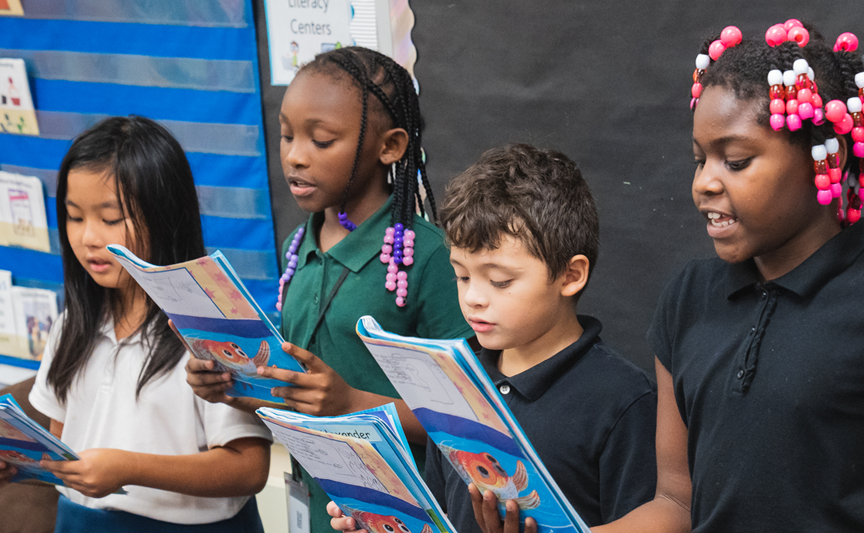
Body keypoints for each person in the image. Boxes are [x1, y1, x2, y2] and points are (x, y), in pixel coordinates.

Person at [597, 20, 864, 533]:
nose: (703, 184)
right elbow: (675, 499)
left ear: (826, 158)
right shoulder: (688, 299)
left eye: (735, 161)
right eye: (699, 160)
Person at [182, 46, 471, 532]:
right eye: (287, 135)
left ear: (391, 146)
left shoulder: (429, 259)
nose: (295, 156)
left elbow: (468, 421)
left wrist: (352, 403)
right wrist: (233, 387)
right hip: (320, 510)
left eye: (321, 140)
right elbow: (299, 394)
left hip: (407, 516)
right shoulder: (301, 244)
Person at [327, 143, 657, 533]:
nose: (473, 297)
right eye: (462, 275)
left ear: (570, 276)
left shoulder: (622, 401)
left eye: (500, 281)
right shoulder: (451, 383)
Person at [24, 115, 271, 532]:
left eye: (111, 218)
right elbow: (65, 450)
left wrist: (129, 468)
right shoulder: (72, 325)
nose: (88, 238)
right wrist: (24, 463)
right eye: (74, 217)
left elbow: (248, 468)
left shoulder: (210, 329)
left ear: (164, 214)